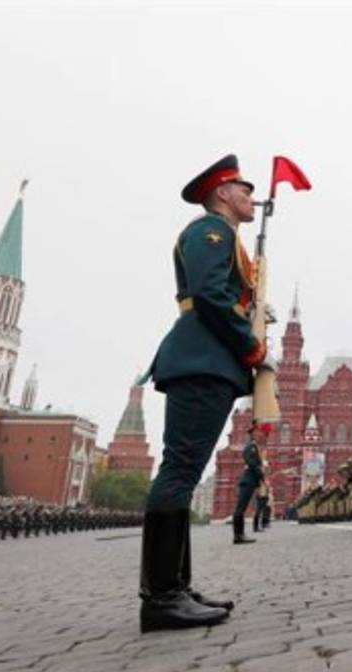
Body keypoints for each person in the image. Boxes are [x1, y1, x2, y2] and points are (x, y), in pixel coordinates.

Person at [140, 154, 271, 633]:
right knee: (180, 471)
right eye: (245, 190)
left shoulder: (223, 236)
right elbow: (211, 295)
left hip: (206, 360)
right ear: (223, 193)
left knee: (184, 468)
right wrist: (251, 344)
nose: (251, 198)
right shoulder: (210, 232)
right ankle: (161, 598)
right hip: (203, 359)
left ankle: (176, 585)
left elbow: (224, 295)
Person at [233, 423, 269, 544]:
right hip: (248, 481)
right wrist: (261, 475)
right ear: (253, 434)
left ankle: (239, 534)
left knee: (241, 508)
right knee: (240, 508)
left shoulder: (255, 447)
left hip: (250, 481)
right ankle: (238, 535)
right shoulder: (251, 446)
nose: (261, 434)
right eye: (258, 432)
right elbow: (251, 462)